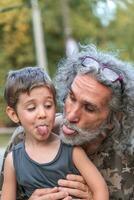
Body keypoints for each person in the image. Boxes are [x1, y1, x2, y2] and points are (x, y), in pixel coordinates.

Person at [1, 44, 134, 200]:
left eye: (89, 108)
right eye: (71, 97)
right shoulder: (24, 137)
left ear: (114, 119)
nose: (70, 116)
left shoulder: (128, 156)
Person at [1, 66, 109, 200]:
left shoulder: (72, 151)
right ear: (13, 114)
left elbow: (100, 189)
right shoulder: (13, 160)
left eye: (48, 105)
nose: (42, 114)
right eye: (31, 108)